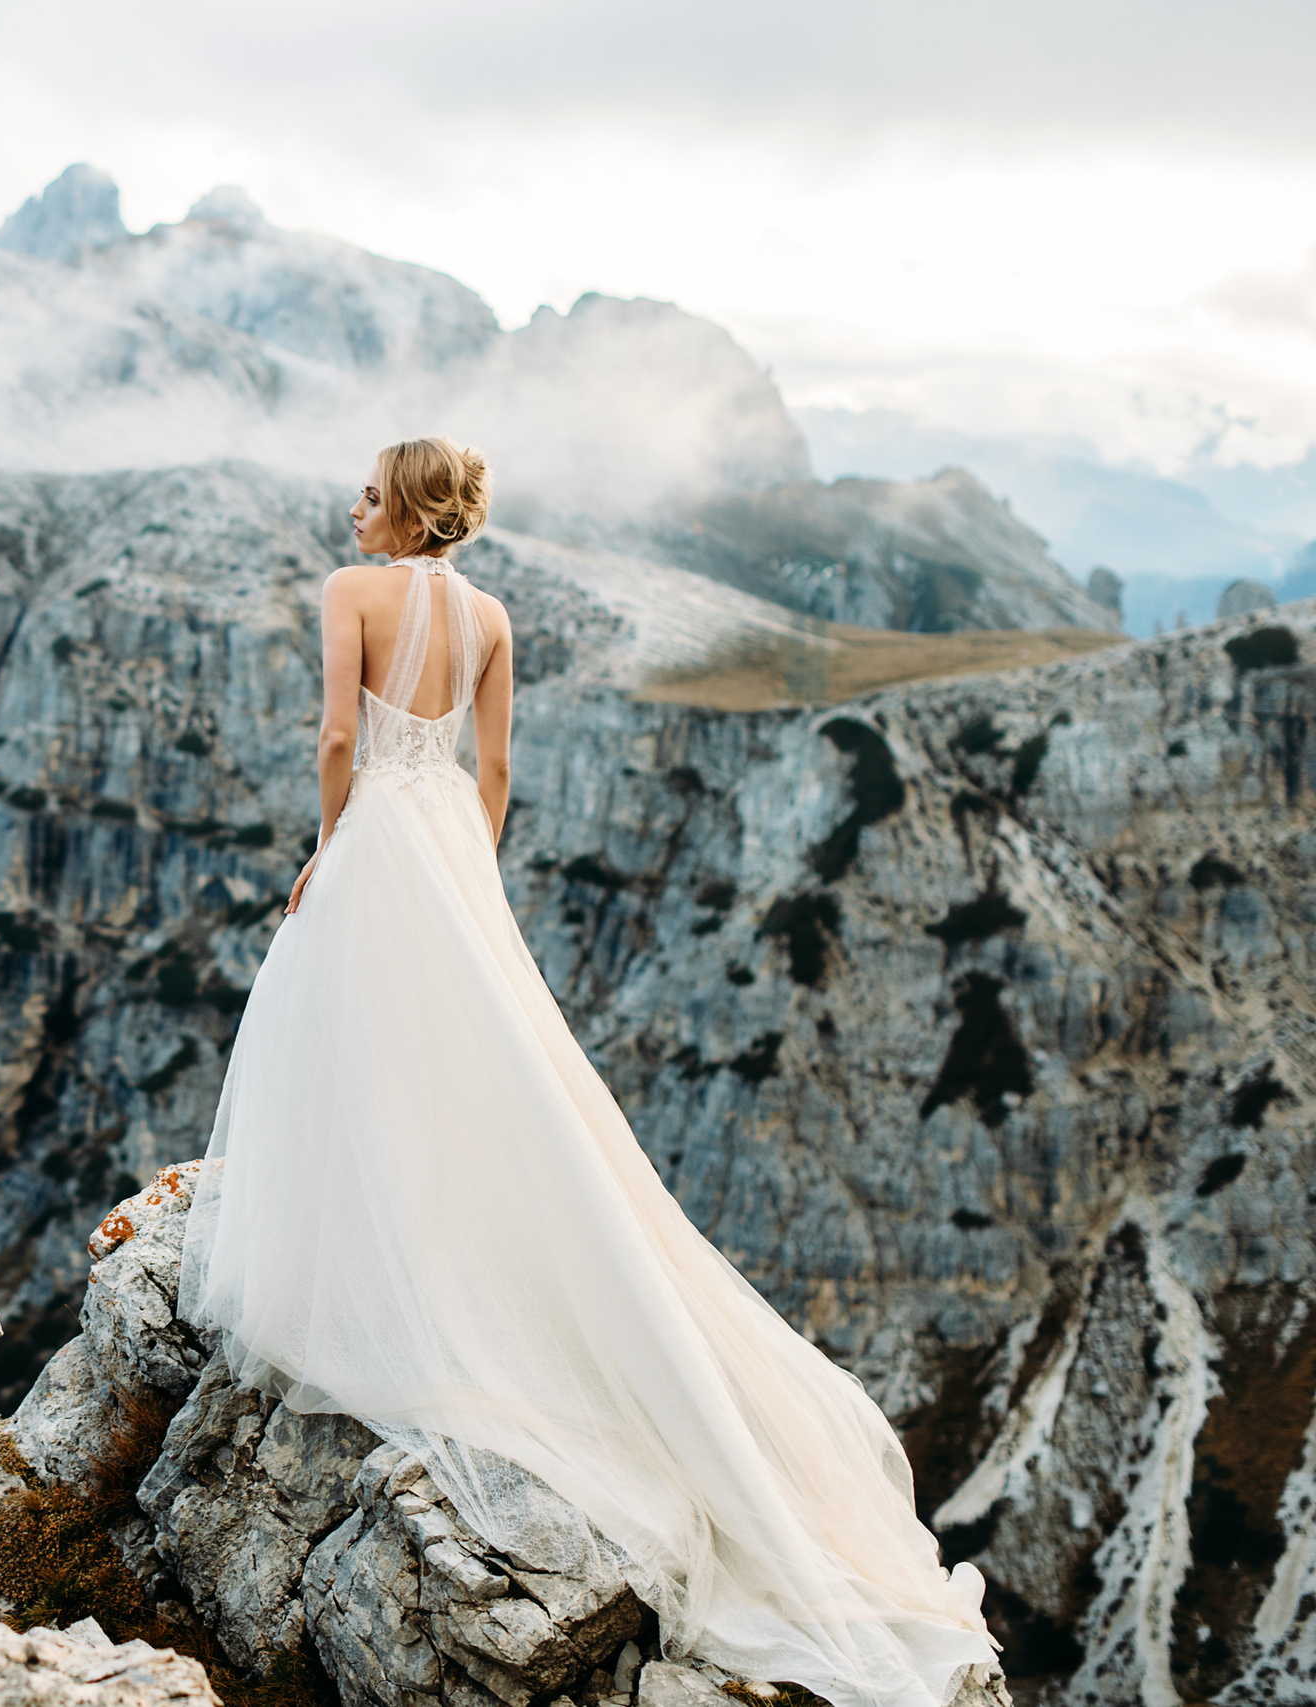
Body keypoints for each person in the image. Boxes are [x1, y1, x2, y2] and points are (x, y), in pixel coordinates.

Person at [177, 438, 997, 1707]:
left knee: (353, 1041)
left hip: (379, 832)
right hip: (450, 837)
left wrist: (330, 847)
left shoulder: (352, 592)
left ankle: (366, 1258)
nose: (351, 508)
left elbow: (340, 733)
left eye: (368, 492)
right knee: (478, 1064)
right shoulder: (492, 616)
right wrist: (470, 874)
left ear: (405, 509)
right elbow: (496, 770)